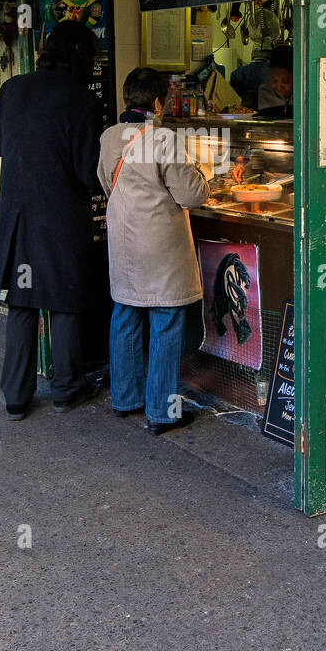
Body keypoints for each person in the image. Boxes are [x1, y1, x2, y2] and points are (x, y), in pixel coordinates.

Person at [0, 19, 103, 420]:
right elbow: (88, 173)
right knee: (64, 302)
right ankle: (67, 390)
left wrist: (25, 150)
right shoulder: (83, 101)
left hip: (18, 217)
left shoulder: (13, 88)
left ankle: (16, 397)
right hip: (62, 219)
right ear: (81, 57)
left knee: (23, 302)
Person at [98, 67, 210, 434]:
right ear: (159, 102)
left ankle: (126, 399)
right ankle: (162, 411)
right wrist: (204, 177)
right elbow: (191, 194)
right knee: (166, 320)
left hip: (124, 237)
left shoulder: (110, 136)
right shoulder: (164, 138)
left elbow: (105, 181)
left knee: (126, 313)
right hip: (159, 241)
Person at [230, 44, 294, 116]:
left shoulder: (304, 99)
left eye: (285, 81)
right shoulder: (259, 96)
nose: (279, 86)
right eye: (274, 81)